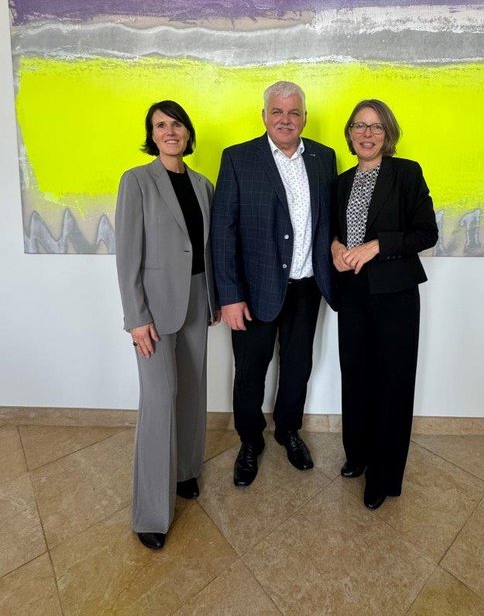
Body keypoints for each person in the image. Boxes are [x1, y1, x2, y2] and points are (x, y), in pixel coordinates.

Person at [212, 81, 336, 486]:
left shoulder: (323, 157)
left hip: (307, 286)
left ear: (304, 118)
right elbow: (223, 231)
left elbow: (329, 220)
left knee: (298, 365)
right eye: (277, 112)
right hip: (254, 291)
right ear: (264, 116)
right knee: (250, 370)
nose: (286, 119)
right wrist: (230, 296)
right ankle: (250, 440)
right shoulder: (238, 158)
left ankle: (288, 430)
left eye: (294, 112)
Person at [115, 100, 219, 550]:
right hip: (154, 309)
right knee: (159, 400)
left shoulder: (202, 184)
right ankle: (151, 514)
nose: (170, 131)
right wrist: (136, 317)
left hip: (197, 297)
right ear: (152, 135)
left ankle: (185, 472)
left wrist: (214, 298)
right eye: (160, 125)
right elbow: (127, 256)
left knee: (193, 391)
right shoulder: (137, 181)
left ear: (188, 132)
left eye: (176, 124)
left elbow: (206, 249)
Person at [332, 99, 438, 510]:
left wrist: (377, 245)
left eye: (376, 127)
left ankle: (384, 475)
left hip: (395, 295)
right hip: (352, 295)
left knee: (392, 383)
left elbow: (426, 233)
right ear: (350, 133)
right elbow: (335, 231)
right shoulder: (341, 182)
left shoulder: (406, 173)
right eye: (360, 126)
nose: (367, 133)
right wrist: (336, 246)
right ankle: (357, 455)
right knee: (355, 377)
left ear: (387, 134)